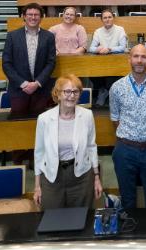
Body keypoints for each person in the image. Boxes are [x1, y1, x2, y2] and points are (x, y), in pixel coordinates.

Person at [109, 44, 146, 209]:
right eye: (136, 56)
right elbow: (115, 119)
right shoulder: (117, 87)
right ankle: (130, 234)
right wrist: (132, 136)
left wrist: (145, 134)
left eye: (143, 57)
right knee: (127, 201)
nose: (139, 60)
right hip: (125, 151)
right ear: (129, 59)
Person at [33, 74, 101, 209]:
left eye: (76, 91)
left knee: (81, 219)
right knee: (51, 220)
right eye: (67, 91)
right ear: (57, 94)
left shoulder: (87, 115)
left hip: (81, 176)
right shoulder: (44, 119)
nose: (71, 95)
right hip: (52, 176)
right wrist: (37, 186)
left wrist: (97, 177)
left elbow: (91, 147)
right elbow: (39, 153)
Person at [3, 3, 57, 163]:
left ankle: (37, 160)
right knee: (18, 126)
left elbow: (51, 63)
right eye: (30, 14)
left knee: (39, 126)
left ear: (41, 17)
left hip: (40, 90)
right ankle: (18, 160)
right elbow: (6, 63)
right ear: (24, 17)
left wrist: (38, 83)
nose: (33, 17)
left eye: (36, 15)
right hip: (19, 90)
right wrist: (23, 84)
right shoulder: (12, 36)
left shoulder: (49, 36)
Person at [89, 9, 128, 106]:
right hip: (102, 62)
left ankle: (107, 95)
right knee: (92, 74)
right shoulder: (98, 31)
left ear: (113, 18)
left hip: (116, 62)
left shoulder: (120, 29)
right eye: (105, 18)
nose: (107, 19)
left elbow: (122, 47)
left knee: (111, 78)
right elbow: (91, 48)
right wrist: (98, 49)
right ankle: (103, 92)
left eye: (109, 17)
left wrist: (109, 49)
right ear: (102, 20)